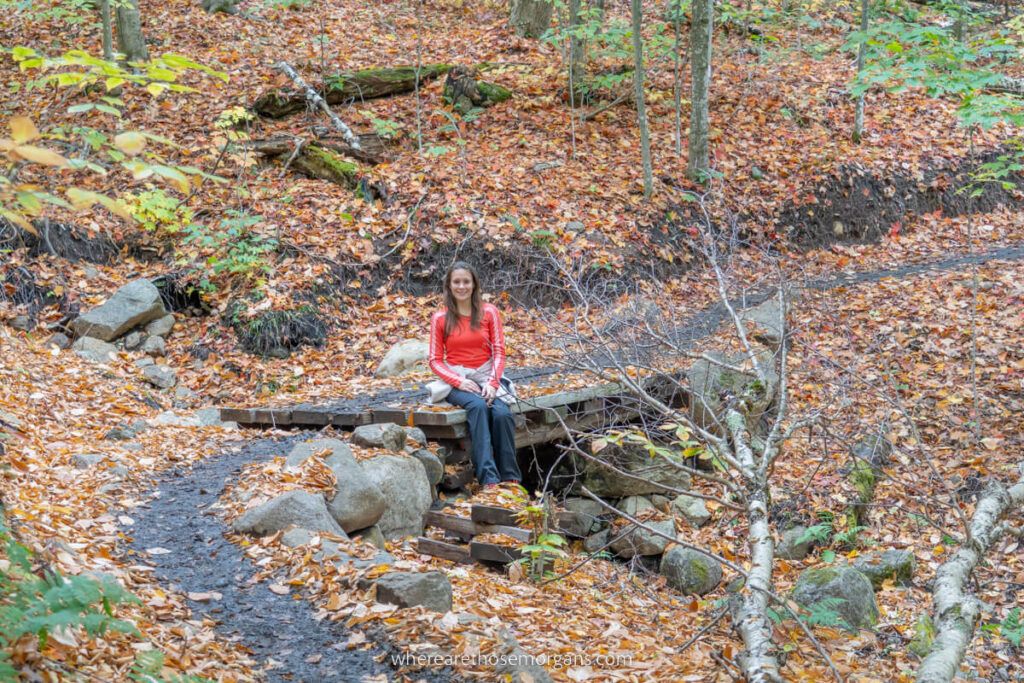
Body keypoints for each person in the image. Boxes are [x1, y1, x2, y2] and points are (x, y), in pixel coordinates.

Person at [427, 261, 522, 488]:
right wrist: (459, 381)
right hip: (457, 379)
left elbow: (499, 351)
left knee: (501, 414)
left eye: (466, 281)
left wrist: (492, 382)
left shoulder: (489, 312)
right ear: (449, 286)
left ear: (474, 284)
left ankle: (510, 478)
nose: (462, 286)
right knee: (478, 407)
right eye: (456, 282)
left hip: (487, 374)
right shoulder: (440, 318)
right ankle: (489, 479)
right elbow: (435, 360)